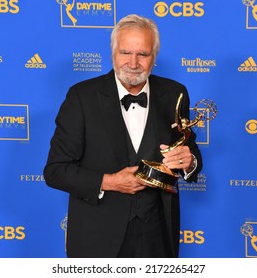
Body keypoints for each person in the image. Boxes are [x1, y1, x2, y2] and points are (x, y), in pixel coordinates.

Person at [44, 14, 203, 258]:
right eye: (125, 52)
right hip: (98, 239)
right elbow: (55, 171)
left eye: (143, 54)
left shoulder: (174, 94)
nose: (133, 62)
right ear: (113, 53)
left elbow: (190, 152)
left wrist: (189, 162)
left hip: (158, 237)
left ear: (154, 57)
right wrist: (110, 181)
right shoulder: (81, 97)